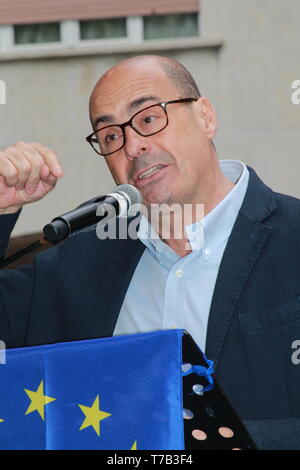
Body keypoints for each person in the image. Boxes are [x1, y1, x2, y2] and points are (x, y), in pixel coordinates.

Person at [0, 55, 300, 450]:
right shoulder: (73, 268)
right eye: (110, 136)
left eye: (148, 118)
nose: (134, 146)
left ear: (206, 116)